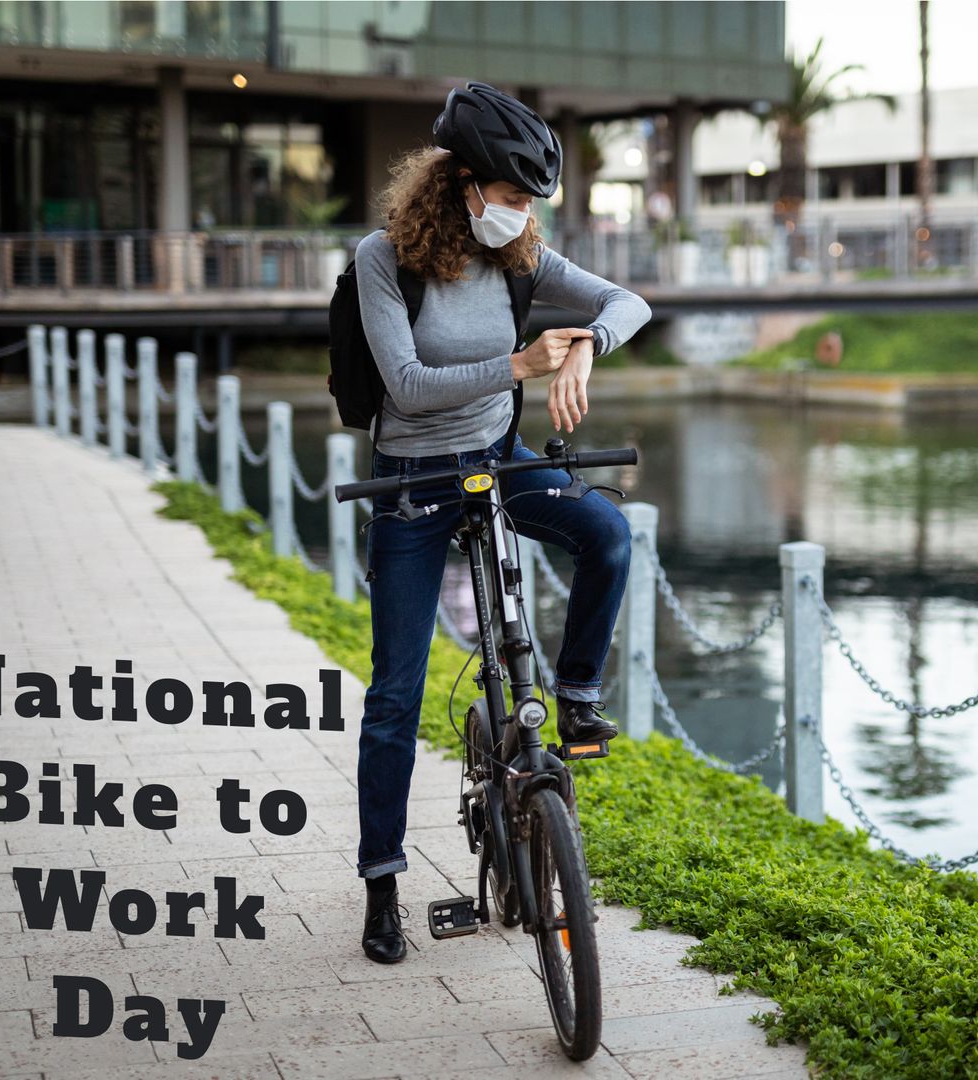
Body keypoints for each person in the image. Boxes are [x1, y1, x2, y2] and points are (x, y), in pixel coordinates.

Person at [352, 82, 652, 963]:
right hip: (410, 480)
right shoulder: (383, 259)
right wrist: (519, 360)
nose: (523, 216)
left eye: (530, 204)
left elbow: (627, 302)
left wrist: (588, 342)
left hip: (495, 457)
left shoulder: (519, 253)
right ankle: (381, 882)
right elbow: (404, 385)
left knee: (607, 534)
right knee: (394, 697)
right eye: (514, 197)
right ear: (464, 184)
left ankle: (579, 699)